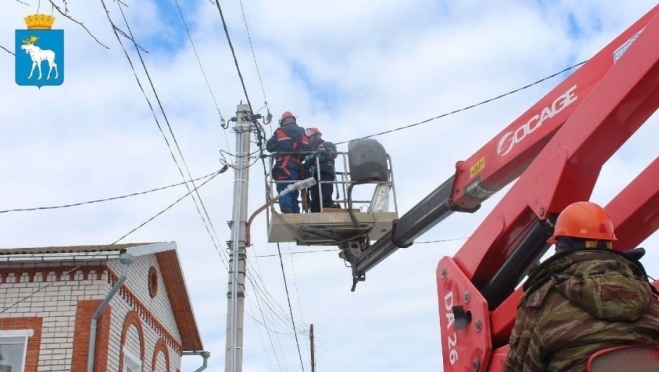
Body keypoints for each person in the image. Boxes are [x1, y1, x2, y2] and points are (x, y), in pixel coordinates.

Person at [504, 201, 659, 372]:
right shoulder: (651, 299)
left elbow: (519, 367)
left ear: (562, 245)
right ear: (609, 243)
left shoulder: (541, 302)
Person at [266, 111, 309, 214]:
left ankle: (287, 208)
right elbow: (307, 150)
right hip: (297, 168)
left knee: (284, 189)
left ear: (283, 121)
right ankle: (295, 212)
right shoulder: (303, 134)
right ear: (294, 120)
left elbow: (269, 147)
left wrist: (280, 149)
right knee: (294, 191)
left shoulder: (280, 132)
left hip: (283, 166)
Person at [302, 127, 339, 213]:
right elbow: (307, 163)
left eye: (310, 138)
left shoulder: (327, 144)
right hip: (314, 176)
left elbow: (333, 153)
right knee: (315, 197)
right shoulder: (311, 152)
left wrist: (326, 151)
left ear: (316, 136)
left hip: (325, 172)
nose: (309, 141)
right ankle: (315, 211)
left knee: (325, 194)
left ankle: (327, 207)